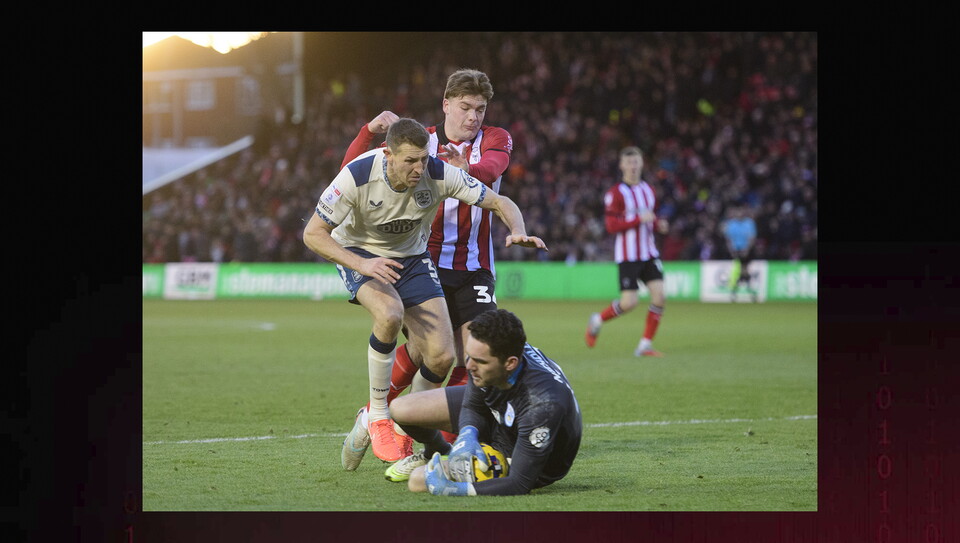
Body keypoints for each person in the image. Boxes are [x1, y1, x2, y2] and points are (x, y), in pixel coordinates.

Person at [303, 118, 546, 465]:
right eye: (410, 161)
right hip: (360, 253)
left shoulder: (439, 172)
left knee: (441, 357)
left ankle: (408, 427)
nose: (419, 169)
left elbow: (499, 201)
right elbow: (313, 234)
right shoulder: (357, 175)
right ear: (388, 154)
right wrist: (362, 265)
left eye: (422, 159)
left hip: (412, 257)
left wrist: (518, 229)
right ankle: (377, 416)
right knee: (389, 314)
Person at [338, 68, 514, 458]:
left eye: (480, 109)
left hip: (474, 267)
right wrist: (367, 132)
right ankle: (376, 416)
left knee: (475, 356)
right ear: (446, 104)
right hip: (423, 261)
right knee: (425, 352)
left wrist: (463, 170)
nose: (473, 117)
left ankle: (437, 448)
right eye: (465, 107)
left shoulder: (496, 138)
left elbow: (492, 169)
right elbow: (353, 172)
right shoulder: (421, 141)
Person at [384, 308, 582, 496]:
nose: (469, 366)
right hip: (500, 418)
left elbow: (519, 483)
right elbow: (473, 406)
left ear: (510, 363)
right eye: (469, 356)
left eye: (480, 361)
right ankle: (440, 450)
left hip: (520, 452)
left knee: (418, 480)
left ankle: (461, 460)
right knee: (401, 409)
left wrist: (456, 490)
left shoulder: (542, 404)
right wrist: (467, 435)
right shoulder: (495, 354)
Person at [584, 146, 669, 357]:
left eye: (636, 162)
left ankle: (644, 345)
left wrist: (658, 224)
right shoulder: (616, 193)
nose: (633, 166)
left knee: (659, 297)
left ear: (642, 164)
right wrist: (638, 219)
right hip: (628, 255)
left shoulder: (648, 190)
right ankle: (597, 320)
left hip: (649, 253)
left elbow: (650, 217)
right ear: (622, 165)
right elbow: (611, 226)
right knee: (629, 303)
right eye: (629, 162)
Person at [722, 204, 757, 302]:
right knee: (739, 272)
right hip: (736, 251)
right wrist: (731, 250)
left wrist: (747, 250)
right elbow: (729, 239)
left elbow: (751, 238)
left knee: (743, 271)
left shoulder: (749, 223)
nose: (740, 213)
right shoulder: (731, 224)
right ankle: (747, 292)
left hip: (746, 251)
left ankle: (738, 292)